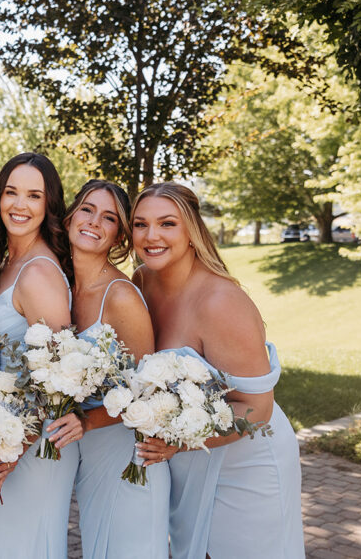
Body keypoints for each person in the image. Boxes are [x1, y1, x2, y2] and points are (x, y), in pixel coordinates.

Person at [131, 182, 304, 559]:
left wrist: (177, 442)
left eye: (167, 224)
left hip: (247, 457)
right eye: (140, 224)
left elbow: (257, 409)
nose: (151, 235)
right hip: (191, 458)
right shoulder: (141, 282)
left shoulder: (222, 302)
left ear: (192, 231)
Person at [0, 152, 83, 559]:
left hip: (34, 445)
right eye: (11, 193)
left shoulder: (38, 272)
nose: (19, 205)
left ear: (49, 205)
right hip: (7, 438)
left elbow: (60, 379)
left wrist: (19, 446)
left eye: (33, 196)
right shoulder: (6, 264)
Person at [65, 179, 169, 558]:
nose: (94, 222)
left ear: (119, 236)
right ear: (70, 216)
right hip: (89, 455)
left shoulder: (121, 296)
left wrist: (88, 422)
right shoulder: (63, 286)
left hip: (127, 454)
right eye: (88, 210)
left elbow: (148, 391)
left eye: (108, 218)